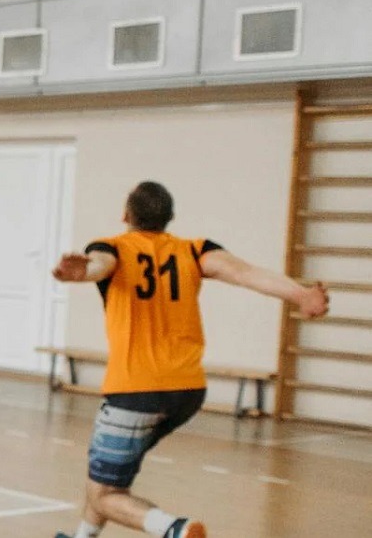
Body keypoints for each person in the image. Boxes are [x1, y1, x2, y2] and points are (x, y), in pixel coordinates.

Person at [51, 181, 330, 538]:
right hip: (187, 391)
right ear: (168, 218)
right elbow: (245, 274)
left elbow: (98, 266)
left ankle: (175, 530)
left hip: (136, 392)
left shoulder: (113, 248)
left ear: (125, 215)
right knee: (104, 477)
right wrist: (301, 294)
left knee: (105, 494)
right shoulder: (194, 251)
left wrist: (82, 272)